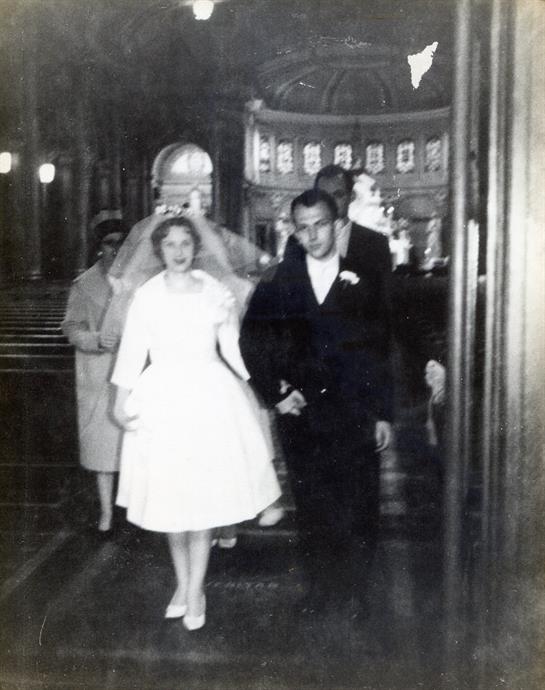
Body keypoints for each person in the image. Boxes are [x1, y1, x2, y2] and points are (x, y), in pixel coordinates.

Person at [111, 216, 280, 630]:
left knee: (202, 501)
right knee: (171, 502)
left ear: (196, 247)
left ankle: (194, 590)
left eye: (186, 243)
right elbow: (132, 351)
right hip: (163, 401)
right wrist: (120, 399)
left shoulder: (215, 292)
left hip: (209, 399)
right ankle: (184, 584)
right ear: (158, 250)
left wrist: (263, 386)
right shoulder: (147, 296)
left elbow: (233, 349)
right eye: (170, 244)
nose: (179, 251)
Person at [240, 189, 393, 615]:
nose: (312, 235)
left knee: (359, 501)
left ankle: (358, 591)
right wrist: (276, 394)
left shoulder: (363, 278)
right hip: (301, 413)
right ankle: (320, 589)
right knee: (313, 504)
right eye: (303, 228)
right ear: (294, 231)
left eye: (320, 225)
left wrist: (383, 412)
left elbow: (381, 347)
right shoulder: (278, 282)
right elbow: (250, 342)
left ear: (336, 225)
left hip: (355, 411)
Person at [62, 222, 126, 533]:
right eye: (109, 243)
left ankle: (136, 511)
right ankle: (106, 512)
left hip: (132, 372)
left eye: (121, 243)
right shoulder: (84, 284)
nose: (115, 249)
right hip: (98, 374)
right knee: (103, 449)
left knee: (135, 445)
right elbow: (71, 327)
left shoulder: (137, 281)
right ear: (100, 247)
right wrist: (96, 339)